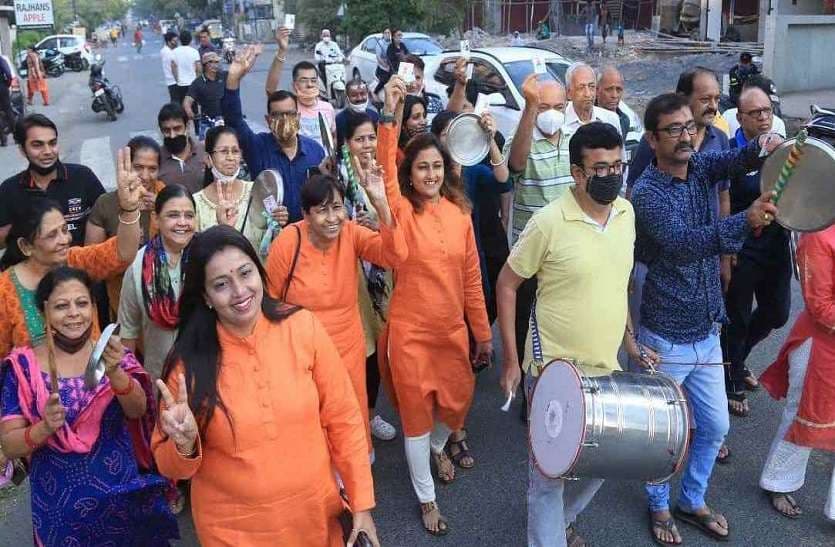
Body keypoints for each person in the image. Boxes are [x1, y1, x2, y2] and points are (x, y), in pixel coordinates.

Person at [151, 225, 381, 546]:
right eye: (221, 284)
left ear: (259, 272)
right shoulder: (186, 365)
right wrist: (184, 445)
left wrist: (361, 504)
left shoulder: (302, 327)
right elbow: (169, 465)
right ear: (205, 297)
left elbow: (344, 420)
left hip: (316, 520)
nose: (240, 290)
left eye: (245, 273)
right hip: (232, 533)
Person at [631, 92, 783, 544]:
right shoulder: (646, 193)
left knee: (715, 427)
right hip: (666, 336)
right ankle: (659, 507)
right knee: (665, 434)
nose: (685, 137)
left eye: (689, 127)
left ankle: (690, 498)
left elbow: (731, 162)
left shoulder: (698, 167)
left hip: (706, 330)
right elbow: (684, 243)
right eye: (673, 130)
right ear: (652, 139)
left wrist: (764, 148)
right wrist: (746, 220)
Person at [497, 122, 644, 547]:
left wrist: (630, 339)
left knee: (606, 464)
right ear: (577, 173)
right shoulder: (547, 222)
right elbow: (507, 285)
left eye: (618, 165)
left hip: (606, 370)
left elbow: (618, 284)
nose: (612, 176)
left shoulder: (626, 214)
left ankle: (562, 522)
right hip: (551, 373)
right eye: (601, 169)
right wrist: (510, 360)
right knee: (548, 479)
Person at [377, 76, 492, 535]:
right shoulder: (402, 211)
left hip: (450, 332)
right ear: (411, 173)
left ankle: (439, 446)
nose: (430, 174)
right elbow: (385, 172)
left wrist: (481, 333)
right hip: (409, 334)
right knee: (416, 417)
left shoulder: (459, 213)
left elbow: (471, 278)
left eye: (436, 167)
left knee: (457, 403)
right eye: (422, 168)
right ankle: (426, 497)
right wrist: (390, 116)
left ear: (445, 169)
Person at [0, 266, 179, 546]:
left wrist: (116, 372)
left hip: (121, 495)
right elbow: (10, 446)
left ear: (93, 307)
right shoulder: (23, 368)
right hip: (60, 510)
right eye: (61, 305)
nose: (74, 313)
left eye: (82, 303)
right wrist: (44, 427)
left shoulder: (113, 356)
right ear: (44, 312)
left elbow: (139, 411)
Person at [266, 171, 407, 452]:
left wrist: (381, 206)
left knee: (350, 417)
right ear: (305, 215)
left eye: (337, 207)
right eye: (322, 210)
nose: (332, 218)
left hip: (347, 348)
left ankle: (354, 480)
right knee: (311, 419)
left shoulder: (351, 233)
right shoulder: (287, 242)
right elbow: (269, 301)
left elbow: (395, 255)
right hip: (302, 352)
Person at [0, 146, 143, 358]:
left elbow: (123, 253)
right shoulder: (4, 292)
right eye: (51, 235)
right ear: (25, 246)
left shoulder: (75, 260)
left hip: (92, 386)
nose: (64, 240)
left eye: (65, 230)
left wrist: (130, 208)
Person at [503, 75, 571, 416]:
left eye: (558, 107)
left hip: (566, 256)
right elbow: (515, 164)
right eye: (545, 107)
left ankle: (560, 388)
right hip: (529, 253)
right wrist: (531, 108)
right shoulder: (524, 139)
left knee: (558, 322)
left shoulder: (575, 141)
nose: (552, 115)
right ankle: (527, 389)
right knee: (525, 323)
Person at [721, 86, 791, 417]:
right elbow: (722, 203)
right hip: (743, 244)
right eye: (756, 113)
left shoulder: (782, 147)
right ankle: (731, 379)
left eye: (767, 111)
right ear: (740, 117)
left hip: (775, 243)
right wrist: (728, 245)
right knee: (736, 316)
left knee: (777, 313)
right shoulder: (731, 153)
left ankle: (737, 357)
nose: (764, 117)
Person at [759, 224, 835, 521]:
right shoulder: (818, 235)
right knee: (803, 414)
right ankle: (778, 481)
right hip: (819, 346)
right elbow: (819, 306)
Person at [338, 111, 398, 442]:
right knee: (360, 348)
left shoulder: (385, 175)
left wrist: (379, 226)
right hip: (350, 277)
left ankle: (372, 413)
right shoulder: (337, 178)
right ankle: (353, 418)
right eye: (359, 138)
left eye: (371, 137)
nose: (366, 144)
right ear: (346, 143)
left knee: (379, 348)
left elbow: (399, 222)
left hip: (382, 274)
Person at [223, 45, 325, 223]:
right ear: (268, 120)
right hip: (270, 237)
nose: (285, 120)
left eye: (290, 114)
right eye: (278, 115)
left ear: (298, 117)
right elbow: (234, 120)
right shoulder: (257, 147)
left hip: (311, 236)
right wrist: (233, 78)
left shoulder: (315, 151)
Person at [119, 185, 195, 380]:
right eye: (173, 215)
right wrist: (133, 386)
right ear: (155, 219)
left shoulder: (207, 259)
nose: (182, 222)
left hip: (206, 373)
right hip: (160, 377)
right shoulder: (138, 267)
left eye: (189, 215)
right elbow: (128, 333)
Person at [0, 114, 106, 247]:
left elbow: (108, 217)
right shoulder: (10, 189)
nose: (48, 151)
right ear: (22, 150)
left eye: (52, 143)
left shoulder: (82, 177)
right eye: (37, 145)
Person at [86, 136, 163, 319]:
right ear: (126, 167)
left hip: (164, 299)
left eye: (152, 169)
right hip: (121, 296)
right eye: (138, 168)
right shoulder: (106, 204)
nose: (145, 176)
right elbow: (91, 261)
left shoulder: (166, 198)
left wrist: (163, 211)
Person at [195, 126, 270, 251]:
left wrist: (277, 221)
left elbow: (272, 236)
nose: (230, 157)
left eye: (235, 151)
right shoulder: (196, 203)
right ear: (208, 159)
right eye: (224, 151)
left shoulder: (258, 191)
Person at [564, 63, 622, 141]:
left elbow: (619, 152)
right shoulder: (561, 123)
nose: (587, 94)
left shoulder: (611, 119)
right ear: (568, 93)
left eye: (591, 87)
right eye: (581, 88)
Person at [157, 103, 207, 193]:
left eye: (177, 128)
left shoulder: (204, 152)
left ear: (187, 126)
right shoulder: (156, 158)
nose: (172, 135)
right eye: (166, 130)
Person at [184, 52, 227, 139]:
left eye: (216, 62)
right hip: (208, 120)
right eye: (211, 62)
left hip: (226, 118)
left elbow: (240, 73)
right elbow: (187, 101)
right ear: (205, 65)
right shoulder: (198, 83)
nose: (215, 65)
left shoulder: (224, 75)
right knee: (205, 145)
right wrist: (189, 111)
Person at [336, 79, 379, 149]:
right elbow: (340, 146)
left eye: (362, 94)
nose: (359, 98)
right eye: (354, 95)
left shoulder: (374, 116)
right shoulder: (340, 119)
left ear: (367, 94)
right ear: (347, 97)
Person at [403, 55, 444, 121]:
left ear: (423, 77)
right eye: (409, 78)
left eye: (417, 78)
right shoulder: (393, 104)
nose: (413, 84)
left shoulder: (435, 102)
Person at [171, 30, 201, 105]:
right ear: (190, 40)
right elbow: (199, 69)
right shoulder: (194, 52)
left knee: (183, 105)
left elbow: (173, 67)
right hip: (193, 84)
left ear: (180, 40)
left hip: (181, 84)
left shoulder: (175, 52)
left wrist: (177, 79)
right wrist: (197, 80)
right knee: (194, 105)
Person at [160, 31, 179, 102]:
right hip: (174, 81)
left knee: (175, 101)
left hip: (170, 81)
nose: (177, 43)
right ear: (168, 42)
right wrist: (178, 81)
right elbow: (174, 67)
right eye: (175, 41)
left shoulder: (164, 50)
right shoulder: (169, 53)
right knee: (177, 102)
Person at [0, 53, 14, 147]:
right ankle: (17, 135)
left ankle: (3, 139)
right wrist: (7, 84)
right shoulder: (0, 59)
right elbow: (8, 73)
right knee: (8, 110)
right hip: (2, 87)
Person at [373, 28, 393, 97]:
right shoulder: (380, 43)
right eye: (386, 33)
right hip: (383, 67)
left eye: (389, 33)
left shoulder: (392, 43)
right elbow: (378, 58)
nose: (387, 34)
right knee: (385, 79)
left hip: (391, 65)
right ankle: (375, 92)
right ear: (383, 34)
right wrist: (386, 66)